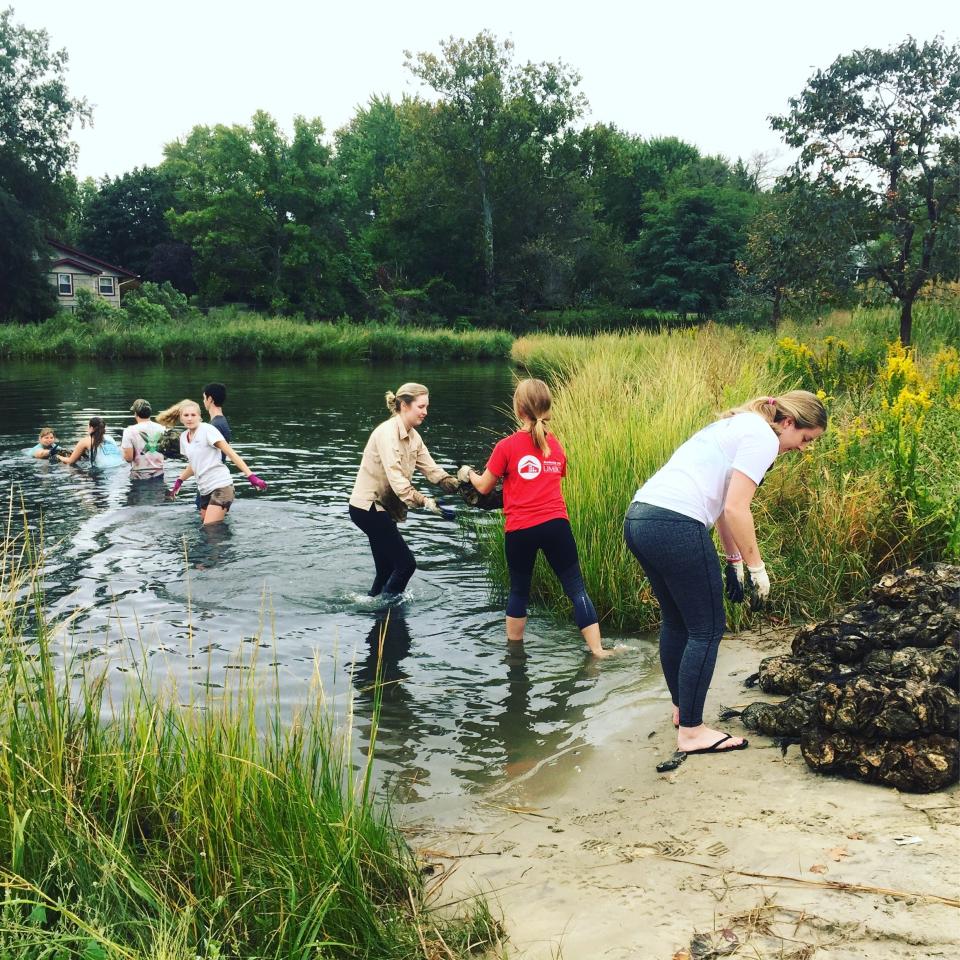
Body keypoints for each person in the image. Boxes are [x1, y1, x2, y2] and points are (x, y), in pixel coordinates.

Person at [622, 390, 827, 764]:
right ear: (788, 423)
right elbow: (736, 507)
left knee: (678, 621)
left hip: (640, 518)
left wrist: (733, 559)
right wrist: (756, 569)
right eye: (805, 439)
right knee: (708, 629)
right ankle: (693, 732)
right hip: (675, 523)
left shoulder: (738, 426)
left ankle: (683, 710)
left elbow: (720, 505)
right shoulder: (764, 438)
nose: (802, 448)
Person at [461, 378, 613, 659]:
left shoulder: (506, 446)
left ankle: (515, 657)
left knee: (519, 591)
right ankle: (598, 650)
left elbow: (483, 487)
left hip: (520, 530)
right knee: (576, 587)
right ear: (547, 406)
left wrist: (467, 473)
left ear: (519, 410)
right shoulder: (556, 446)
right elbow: (547, 479)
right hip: (556, 526)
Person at [348, 382, 459, 599]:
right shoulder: (387, 434)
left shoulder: (414, 436)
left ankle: (372, 607)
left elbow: (432, 470)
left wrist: (459, 483)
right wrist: (428, 503)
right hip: (367, 508)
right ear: (404, 405)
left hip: (382, 509)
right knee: (406, 565)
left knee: (387, 570)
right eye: (421, 406)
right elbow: (398, 482)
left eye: (427, 407)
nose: (425, 412)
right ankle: (388, 615)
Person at [162, 399, 266, 525]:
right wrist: (179, 481)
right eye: (186, 415)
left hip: (221, 486)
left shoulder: (207, 430)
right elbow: (194, 464)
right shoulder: (184, 438)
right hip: (204, 490)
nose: (189, 418)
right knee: (207, 530)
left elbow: (231, 453)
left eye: (193, 415)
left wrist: (251, 476)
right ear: (181, 418)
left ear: (199, 417)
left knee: (210, 529)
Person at [120, 399, 166, 481]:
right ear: (149, 412)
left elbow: (128, 458)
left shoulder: (129, 431)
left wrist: (122, 452)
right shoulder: (162, 429)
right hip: (159, 474)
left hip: (139, 476)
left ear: (135, 413)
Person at [57, 417, 124, 468]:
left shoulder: (85, 441)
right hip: (121, 466)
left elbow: (70, 461)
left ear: (91, 427)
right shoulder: (110, 438)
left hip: (102, 470)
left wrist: (58, 456)